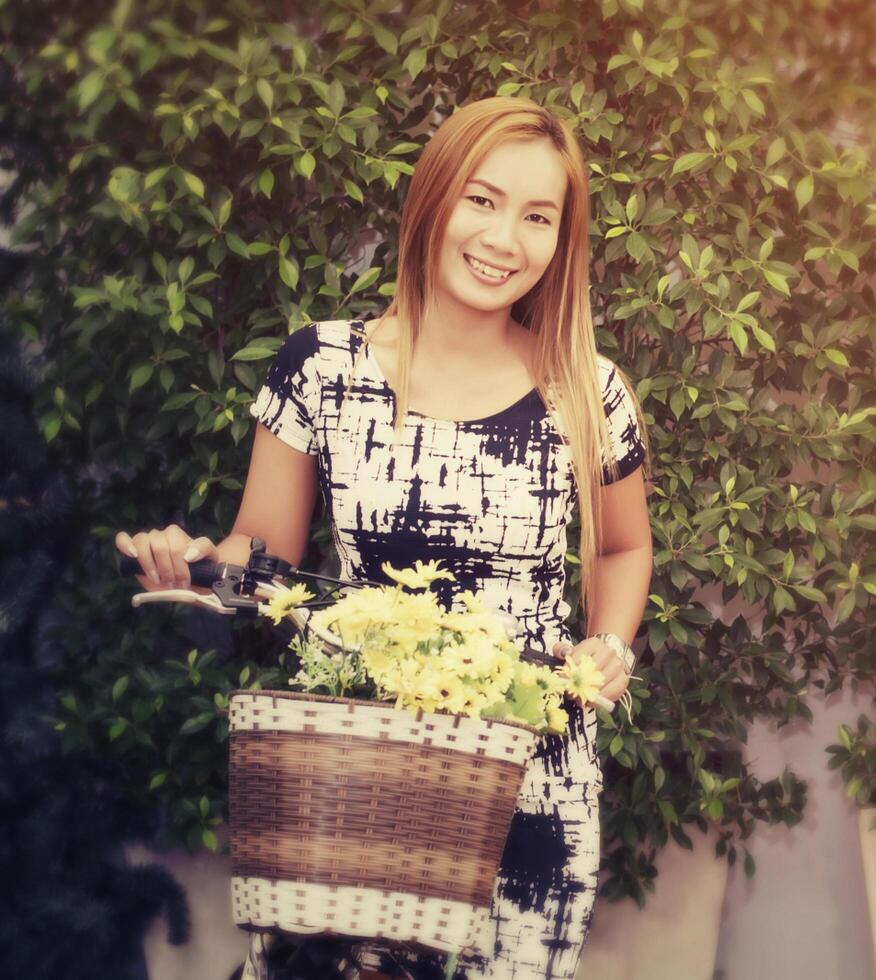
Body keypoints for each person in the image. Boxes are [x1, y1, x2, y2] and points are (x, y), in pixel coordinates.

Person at [114, 96, 655, 979]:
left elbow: (623, 547)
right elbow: (265, 559)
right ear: (433, 198)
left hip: (535, 785)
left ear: (563, 239)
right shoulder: (323, 367)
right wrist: (200, 562)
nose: (504, 238)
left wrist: (608, 644)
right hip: (355, 781)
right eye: (482, 199)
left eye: (537, 216)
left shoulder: (586, 390)